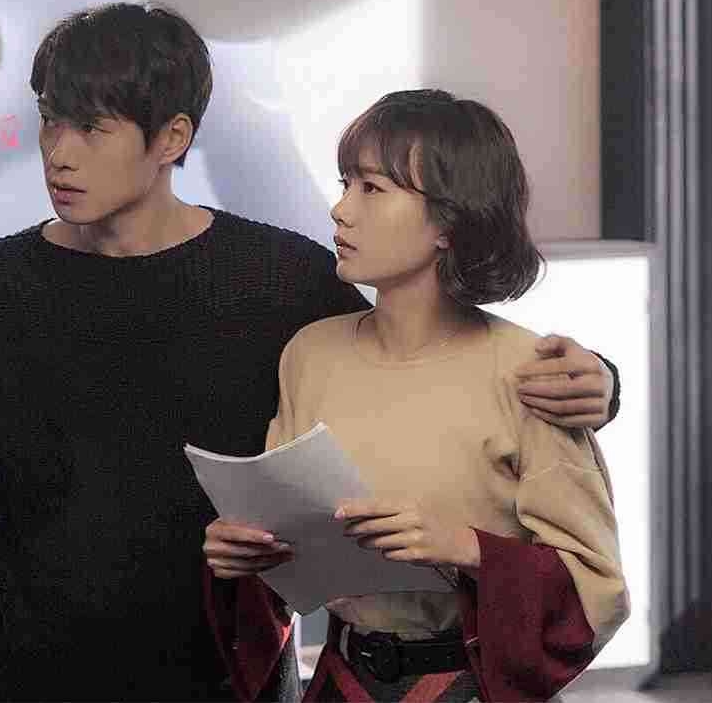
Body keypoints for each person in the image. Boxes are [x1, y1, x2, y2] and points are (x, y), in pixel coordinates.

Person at [0, 4, 621, 702]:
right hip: (44, 686)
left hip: (241, 688)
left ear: (172, 137)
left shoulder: (283, 280)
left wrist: (600, 384)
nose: (59, 151)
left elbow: (426, 360)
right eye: (50, 120)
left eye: (91, 127)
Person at [204, 89, 629, 702]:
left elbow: (596, 590)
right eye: (345, 184)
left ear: (449, 222)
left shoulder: (532, 374)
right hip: (339, 685)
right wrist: (246, 554)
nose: (340, 210)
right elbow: (289, 558)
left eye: (371, 189)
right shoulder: (309, 355)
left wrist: (469, 548)